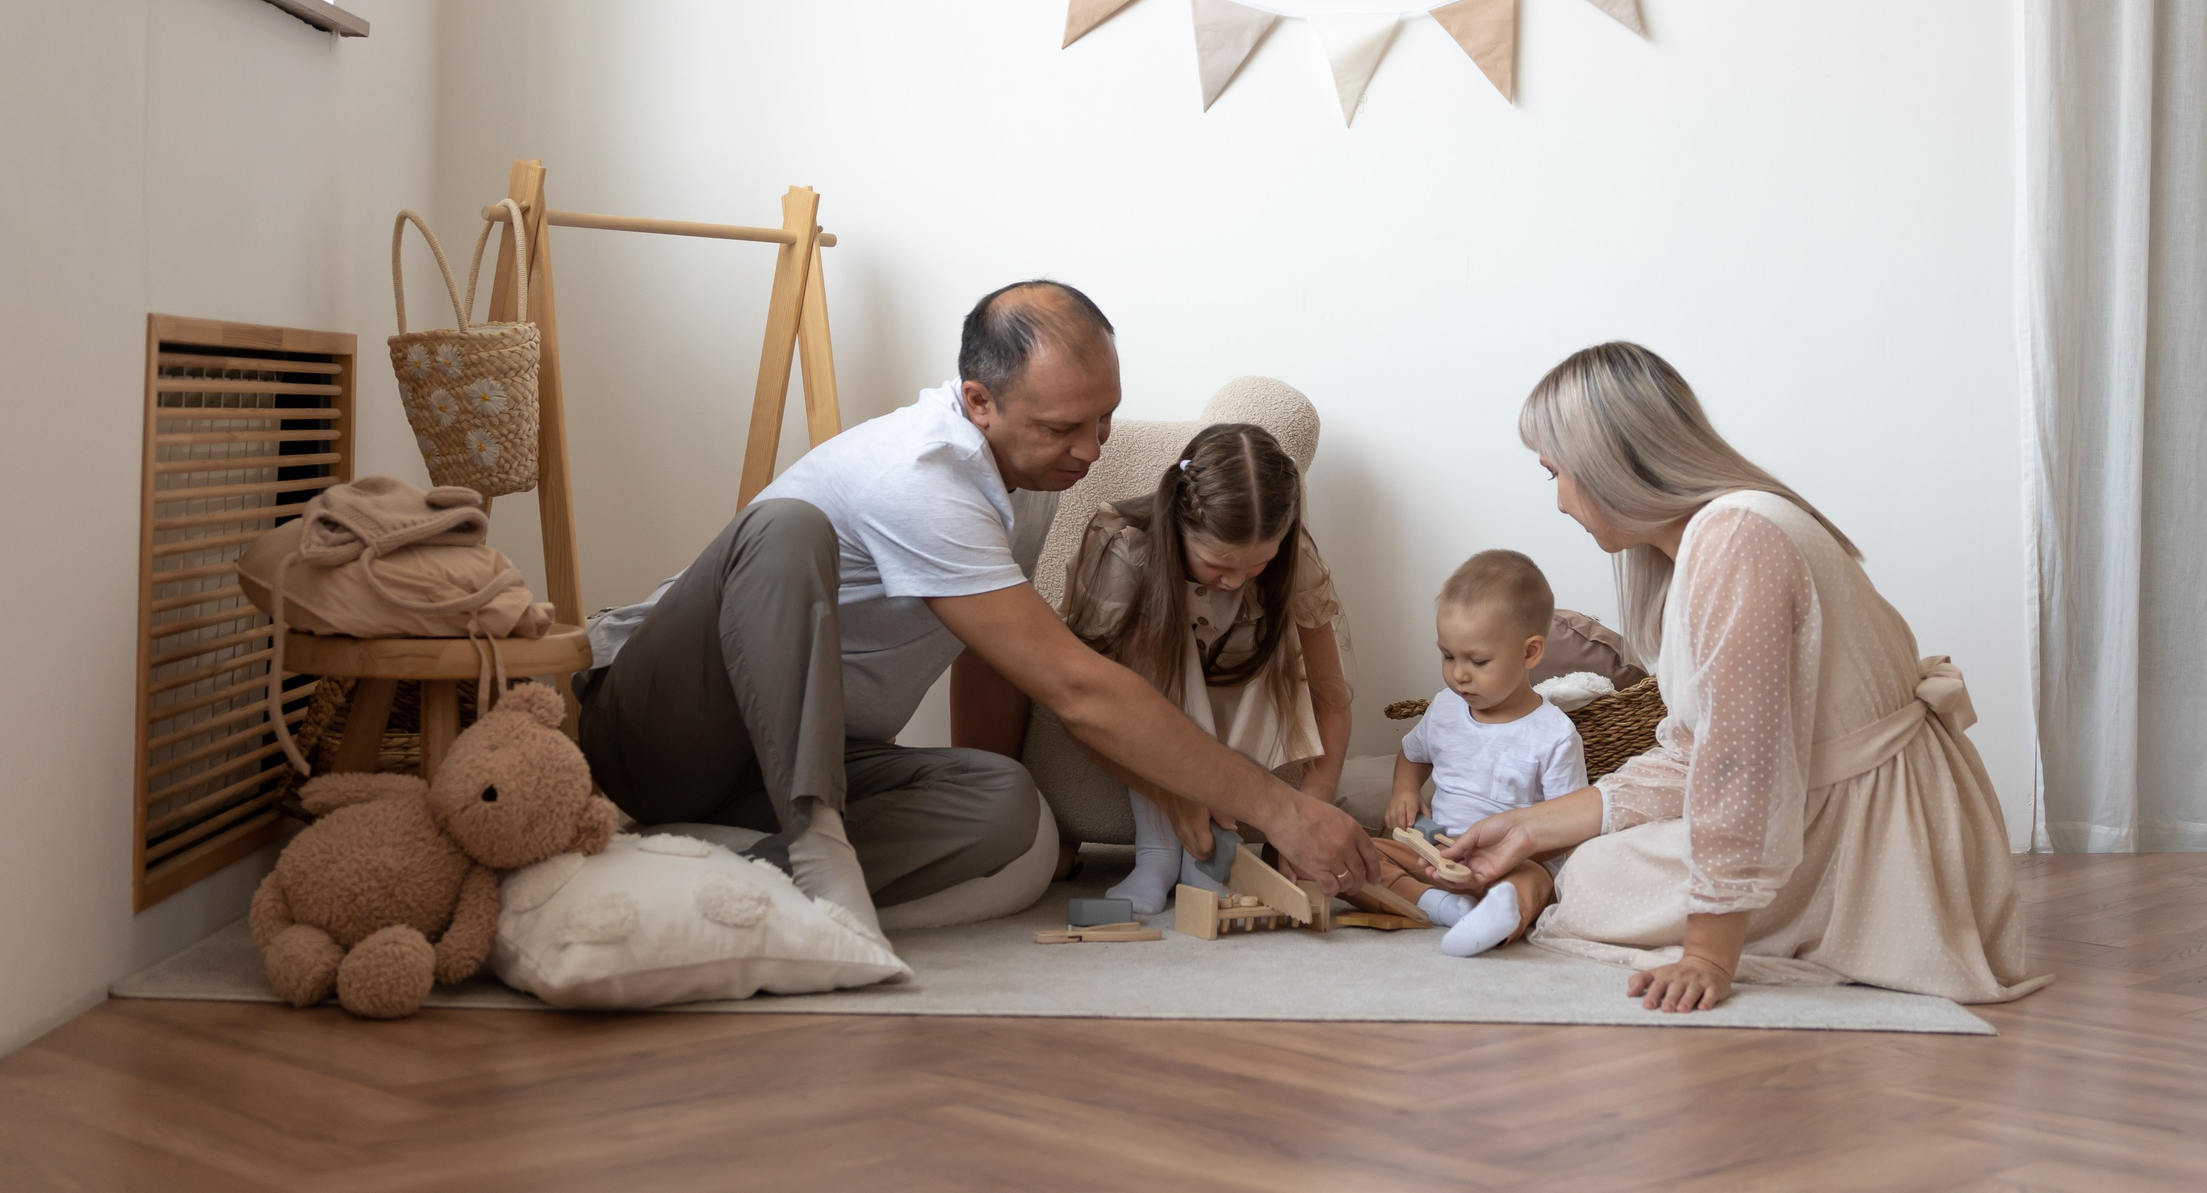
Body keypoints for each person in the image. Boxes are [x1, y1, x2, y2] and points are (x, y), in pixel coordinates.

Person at [571, 282, 1380, 928]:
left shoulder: (1023, 485)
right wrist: (1284, 809)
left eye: (1105, 420)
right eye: (1066, 427)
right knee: (786, 529)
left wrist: (990, 772)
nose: (1092, 451)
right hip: (660, 732)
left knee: (1009, 808)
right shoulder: (921, 476)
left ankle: (714, 873)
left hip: (800, 760)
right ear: (979, 400)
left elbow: (999, 663)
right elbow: (1079, 688)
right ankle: (815, 851)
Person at [1436, 342, 2048, 1013]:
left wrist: (1707, 952)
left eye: (1558, 473)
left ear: (1611, 463)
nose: (1558, 500)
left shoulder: (1734, 539)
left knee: (1589, 882)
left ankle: (1807, 925)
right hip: (1847, 801)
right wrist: (1528, 826)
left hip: (1865, 831)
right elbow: (1695, 754)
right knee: (1590, 857)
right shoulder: (1721, 531)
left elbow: (1740, 762)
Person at [1035, 422, 1354, 914]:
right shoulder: (1127, 550)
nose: (1234, 581)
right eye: (1216, 564)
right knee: (1150, 649)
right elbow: (1089, 701)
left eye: (1256, 565)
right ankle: (1157, 854)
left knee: (1274, 639)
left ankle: (1208, 864)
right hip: (1149, 696)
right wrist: (1171, 792)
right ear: (1180, 528)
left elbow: (1331, 695)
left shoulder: (1294, 561)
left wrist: (1314, 811)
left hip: (1245, 687)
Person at [1375, 550, 1588, 957]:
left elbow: (1568, 825)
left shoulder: (1554, 734)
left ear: (1529, 653)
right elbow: (1414, 755)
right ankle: (1446, 909)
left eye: (1478, 660)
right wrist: (1404, 791)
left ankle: (1498, 913)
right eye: (1448, 656)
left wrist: (1510, 856)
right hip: (1433, 854)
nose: (1459, 673)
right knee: (1360, 855)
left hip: (1512, 862)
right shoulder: (1445, 708)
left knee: (1534, 882)